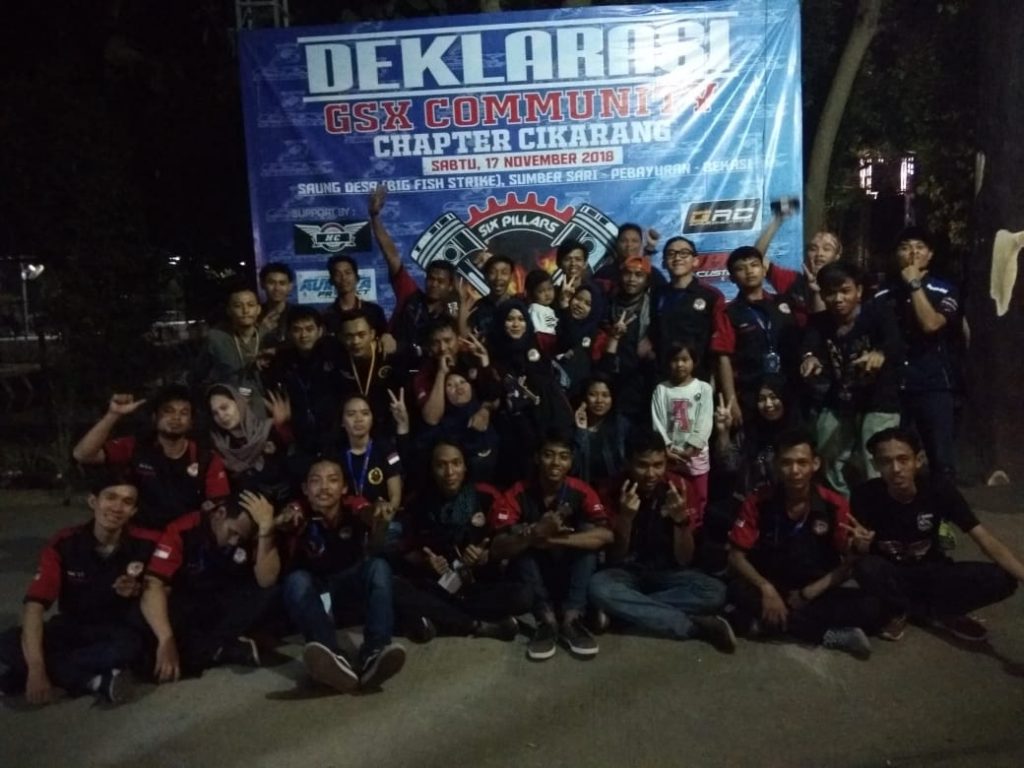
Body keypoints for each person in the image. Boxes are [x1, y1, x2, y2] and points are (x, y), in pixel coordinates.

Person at [849, 428, 1022, 643]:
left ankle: (941, 610)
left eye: (903, 459)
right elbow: (857, 554)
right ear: (875, 465)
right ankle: (900, 609)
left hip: (932, 570)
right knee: (865, 567)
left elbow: (983, 538)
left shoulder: (938, 489)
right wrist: (860, 544)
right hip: (892, 576)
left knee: (1004, 578)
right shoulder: (864, 495)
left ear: (918, 460)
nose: (895, 469)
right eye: (885, 462)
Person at [0, 474, 159, 705]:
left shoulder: (148, 542)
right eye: (111, 497)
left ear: (134, 511)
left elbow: (164, 588)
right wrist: (36, 669)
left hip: (118, 630)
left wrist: (139, 589)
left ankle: (23, 675)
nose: (117, 507)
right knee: (7, 642)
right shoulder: (65, 543)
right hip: (73, 625)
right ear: (93, 501)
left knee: (127, 650)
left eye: (127, 502)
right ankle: (92, 681)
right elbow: (34, 605)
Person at [726, 430, 884, 657]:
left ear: (815, 464)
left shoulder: (835, 504)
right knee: (735, 590)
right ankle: (828, 635)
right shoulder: (759, 500)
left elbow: (848, 565)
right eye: (786, 463)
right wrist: (766, 589)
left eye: (802, 462)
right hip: (772, 583)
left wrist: (859, 548)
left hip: (816, 587)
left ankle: (760, 624)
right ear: (776, 465)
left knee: (872, 607)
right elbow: (736, 556)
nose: (794, 471)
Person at [589, 429, 733, 650]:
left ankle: (624, 612)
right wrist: (625, 519)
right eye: (642, 465)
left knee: (715, 592)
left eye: (658, 465)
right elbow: (614, 558)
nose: (651, 473)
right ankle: (691, 627)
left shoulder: (680, 487)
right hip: (627, 572)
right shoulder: (610, 489)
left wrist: (680, 521)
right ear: (628, 463)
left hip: (669, 573)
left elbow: (684, 559)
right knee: (599, 587)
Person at [279, 457, 406, 693]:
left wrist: (378, 516)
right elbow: (288, 518)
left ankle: (374, 652)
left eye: (332, 480)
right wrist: (283, 521)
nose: (324, 487)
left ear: (344, 487)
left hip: (347, 589)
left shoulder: (352, 504)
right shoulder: (298, 510)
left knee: (379, 567)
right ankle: (332, 657)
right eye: (316, 481)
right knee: (295, 581)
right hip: (315, 595)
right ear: (305, 488)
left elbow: (367, 512)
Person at [490, 431, 612, 660]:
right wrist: (532, 535)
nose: (556, 462)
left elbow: (606, 535)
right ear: (537, 458)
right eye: (549, 455)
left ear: (571, 462)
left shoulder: (580, 490)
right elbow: (497, 548)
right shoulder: (518, 492)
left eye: (563, 456)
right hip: (534, 575)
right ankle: (546, 621)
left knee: (588, 541)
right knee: (520, 545)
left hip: (570, 572)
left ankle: (572, 619)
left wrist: (551, 539)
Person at [391, 441, 531, 641]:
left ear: (465, 466)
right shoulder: (418, 502)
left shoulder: (485, 494)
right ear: (431, 469)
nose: (450, 472)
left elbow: (504, 539)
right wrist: (426, 561)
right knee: (397, 586)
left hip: (480, 583)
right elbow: (407, 552)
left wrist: (486, 554)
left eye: (456, 463)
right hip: (437, 585)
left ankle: (440, 620)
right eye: (441, 465)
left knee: (522, 596)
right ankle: (477, 625)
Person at [141, 490, 281, 681]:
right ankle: (220, 648)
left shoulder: (249, 534)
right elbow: (154, 583)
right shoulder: (184, 529)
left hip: (224, 602)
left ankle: (216, 648)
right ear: (219, 514)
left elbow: (267, 580)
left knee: (271, 594)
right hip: (189, 605)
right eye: (232, 532)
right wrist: (166, 639)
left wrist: (266, 530)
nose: (234, 542)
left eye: (240, 538)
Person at [799, 261, 903, 495]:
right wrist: (809, 358)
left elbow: (895, 343)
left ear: (859, 291)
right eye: (831, 293)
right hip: (840, 399)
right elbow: (809, 346)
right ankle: (843, 507)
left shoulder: (878, 314)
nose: (838, 299)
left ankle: (880, 508)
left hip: (879, 400)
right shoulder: (819, 322)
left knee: (876, 458)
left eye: (845, 291)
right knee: (826, 453)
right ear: (822, 295)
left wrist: (879, 354)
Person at [72, 386, 230, 530]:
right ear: (155, 417)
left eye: (184, 413)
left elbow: (217, 504)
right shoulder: (135, 446)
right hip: (137, 536)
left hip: (184, 538)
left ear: (191, 422)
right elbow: (83, 455)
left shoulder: (206, 458)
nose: (176, 417)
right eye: (168, 411)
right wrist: (114, 414)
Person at [872, 226, 961, 482]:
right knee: (894, 457)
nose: (912, 253)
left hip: (933, 385)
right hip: (893, 388)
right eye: (905, 247)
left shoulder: (945, 290)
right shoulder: (882, 294)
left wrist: (914, 284)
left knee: (940, 459)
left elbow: (931, 324)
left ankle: (944, 506)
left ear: (930, 255)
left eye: (919, 247)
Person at [712, 246, 802, 425]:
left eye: (754, 265)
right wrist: (732, 401)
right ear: (732, 278)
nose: (749, 271)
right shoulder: (729, 312)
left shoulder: (784, 302)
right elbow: (723, 358)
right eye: (740, 268)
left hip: (790, 388)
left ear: (764, 270)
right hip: (751, 393)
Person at [370, 186, 457, 357]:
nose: (434, 284)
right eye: (431, 278)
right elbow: (392, 256)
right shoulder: (409, 294)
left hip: (429, 368)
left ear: (450, 286)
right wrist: (374, 217)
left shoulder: (451, 313)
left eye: (441, 281)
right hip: (393, 363)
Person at [263, 306, 344, 459]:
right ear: (289, 333)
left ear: (320, 331)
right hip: (298, 439)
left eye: (309, 329)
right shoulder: (281, 362)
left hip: (335, 437)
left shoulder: (335, 354)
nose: (303, 335)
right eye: (297, 330)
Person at [650, 340, 714, 521]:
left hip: (696, 455)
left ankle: (697, 528)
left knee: (699, 497)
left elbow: (705, 420)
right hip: (671, 455)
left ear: (694, 361)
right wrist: (666, 448)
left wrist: (692, 447)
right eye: (675, 360)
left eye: (685, 360)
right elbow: (658, 421)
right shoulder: (662, 390)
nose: (680, 364)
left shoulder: (703, 388)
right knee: (672, 494)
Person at [193, 283, 271, 417]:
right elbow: (198, 376)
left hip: (266, 411)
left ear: (258, 309)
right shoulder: (216, 339)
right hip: (230, 412)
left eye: (251, 305)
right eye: (238, 306)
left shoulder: (269, 337)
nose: (245, 310)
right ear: (229, 310)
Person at [651, 236, 726, 376]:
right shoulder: (657, 295)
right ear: (664, 263)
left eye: (684, 253)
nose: (677, 258)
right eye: (671, 254)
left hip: (699, 376)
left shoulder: (711, 296)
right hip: (663, 376)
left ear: (695, 261)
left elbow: (720, 343)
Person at [207, 384, 293, 501]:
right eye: (215, 413)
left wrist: (283, 427)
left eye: (224, 407)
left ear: (239, 403)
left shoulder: (270, 430)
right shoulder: (219, 448)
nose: (221, 416)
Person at [601, 255, 659, 421]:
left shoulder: (654, 308)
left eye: (639, 275)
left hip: (642, 382)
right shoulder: (607, 303)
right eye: (628, 273)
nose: (632, 279)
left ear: (647, 280)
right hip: (610, 381)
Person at [572, 374, 631, 486]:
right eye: (593, 395)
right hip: (583, 488)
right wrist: (581, 431)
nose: (599, 400)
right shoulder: (574, 427)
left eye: (605, 395)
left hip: (615, 488)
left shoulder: (622, 425)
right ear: (584, 398)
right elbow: (573, 466)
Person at [321, 254, 390, 343]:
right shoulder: (326, 316)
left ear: (357, 278)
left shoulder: (374, 311)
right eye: (338, 274)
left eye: (348, 273)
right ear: (331, 280)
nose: (343, 278)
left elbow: (384, 339)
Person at [257, 262, 295, 348]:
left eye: (282, 283)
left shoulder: (298, 314)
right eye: (271, 283)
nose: (277, 288)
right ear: (262, 284)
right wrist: (261, 331)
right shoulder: (253, 315)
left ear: (290, 286)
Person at [525, 268, 559, 356]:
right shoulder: (535, 309)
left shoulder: (548, 309)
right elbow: (540, 335)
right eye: (541, 291)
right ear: (532, 293)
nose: (547, 294)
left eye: (549, 289)